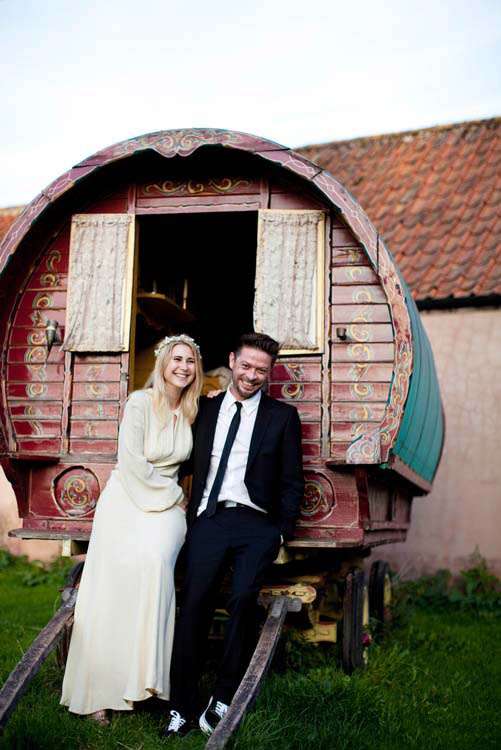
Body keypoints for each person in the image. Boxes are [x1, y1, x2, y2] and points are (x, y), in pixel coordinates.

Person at [164, 332, 304, 738]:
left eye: (261, 370)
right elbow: (179, 458)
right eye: (246, 366)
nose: (251, 375)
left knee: (243, 599)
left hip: (257, 524)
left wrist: (282, 533)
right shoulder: (205, 409)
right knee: (194, 603)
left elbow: (292, 481)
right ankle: (180, 706)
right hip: (210, 519)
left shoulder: (282, 417)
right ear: (231, 361)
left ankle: (224, 697)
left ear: (269, 372)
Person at [61, 334, 203, 723]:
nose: (183, 367)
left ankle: (145, 682)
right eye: (177, 359)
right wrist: (174, 493)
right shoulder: (140, 403)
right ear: (163, 363)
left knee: (156, 566)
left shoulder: (192, 410)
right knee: (112, 587)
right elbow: (132, 461)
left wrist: (175, 497)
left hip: (167, 508)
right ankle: (99, 692)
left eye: (190, 361)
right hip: (127, 497)